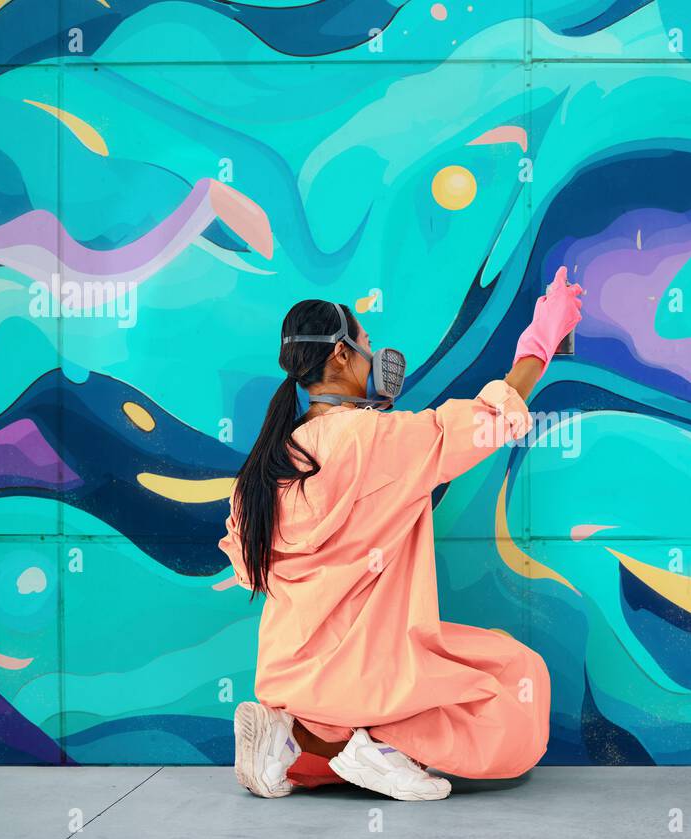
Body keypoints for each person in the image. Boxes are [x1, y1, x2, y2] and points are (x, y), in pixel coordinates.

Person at [219, 268, 583, 801]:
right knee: (517, 680)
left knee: (344, 728)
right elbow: (491, 417)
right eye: (365, 343)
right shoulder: (382, 440)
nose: (373, 356)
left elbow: (247, 564)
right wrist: (541, 339)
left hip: (289, 677)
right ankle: (383, 745)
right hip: (370, 677)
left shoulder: (267, 464)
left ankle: (291, 736)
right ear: (340, 356)